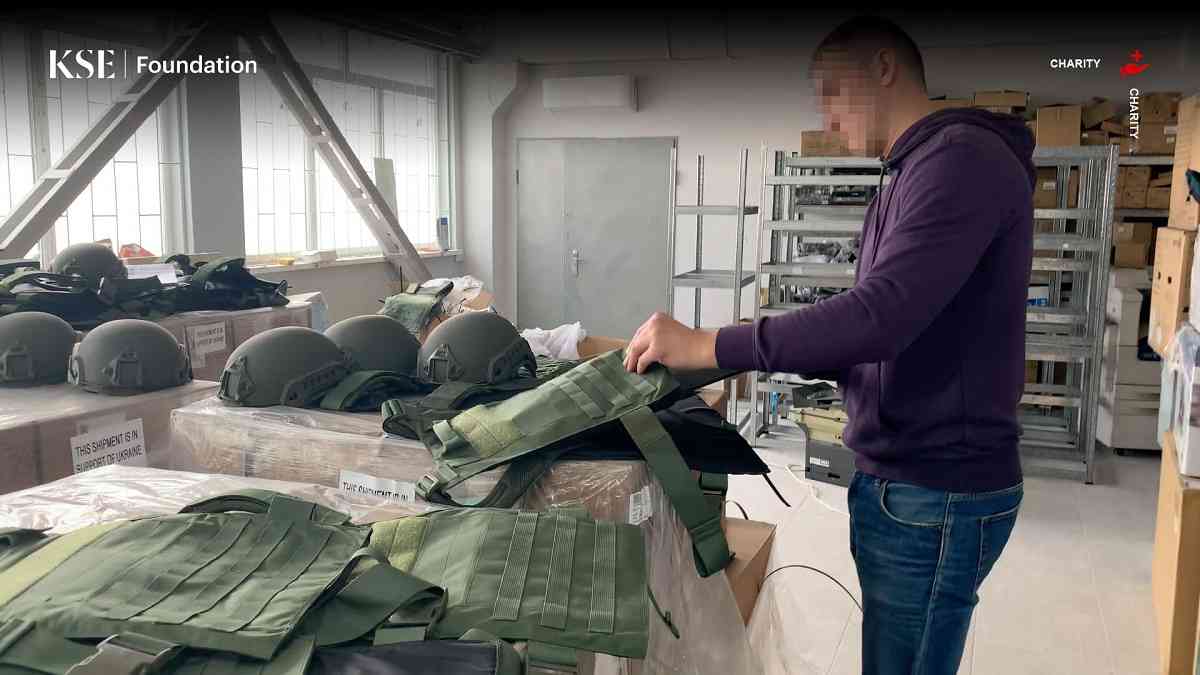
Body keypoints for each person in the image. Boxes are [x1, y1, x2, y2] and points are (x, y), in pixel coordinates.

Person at [623, 15, 1034, 675]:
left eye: (834, 93)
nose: (828, 118)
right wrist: (765, 349)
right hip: (904, 479)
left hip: (936, 488)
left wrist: (710, 344)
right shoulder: (907, 174)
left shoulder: (959, 160)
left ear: (883, 67)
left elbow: (879, 318)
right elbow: (872, 332)